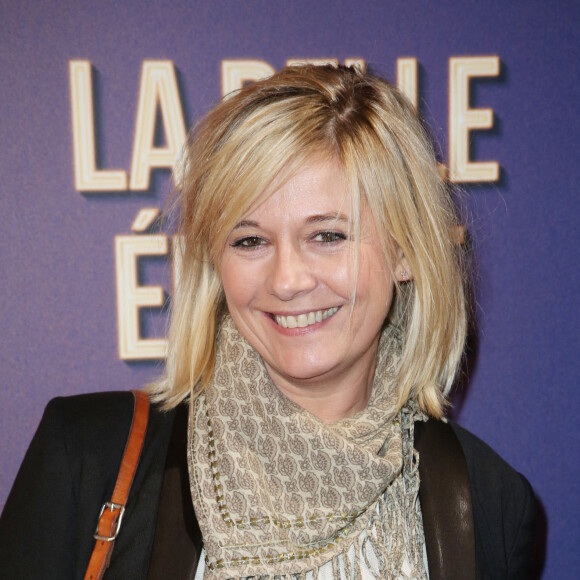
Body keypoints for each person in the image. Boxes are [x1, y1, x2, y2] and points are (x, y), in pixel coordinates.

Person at [0, 64, 535, 579]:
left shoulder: (488, 502)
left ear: (403, 251)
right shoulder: (87, 458)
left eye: (327, 235)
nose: (286, 280)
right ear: (215, 262)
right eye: (250, 240)